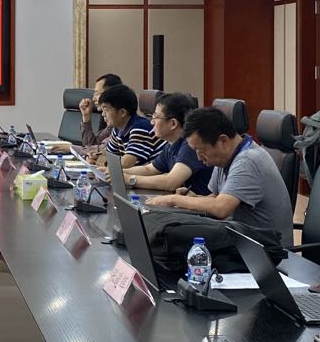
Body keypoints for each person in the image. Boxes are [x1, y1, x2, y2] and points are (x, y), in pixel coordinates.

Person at [146, 105, 294, 246]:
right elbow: (216, 198)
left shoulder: (248, 160)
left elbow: (221, 208)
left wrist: (173, 199)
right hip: (243, 240)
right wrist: (193, 198)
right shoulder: (227, 156)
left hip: (266, 252)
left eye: (200, 150)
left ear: (222, 140)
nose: (198, 157)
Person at [116, 92, 212, 195]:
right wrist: (117, 172)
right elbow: (149, 169)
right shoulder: (171, 144)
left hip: (200, 203)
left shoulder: (190, 145)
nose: (151, 122)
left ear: (173, 123)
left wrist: (130, 179)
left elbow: (170, 182)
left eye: (156, 117)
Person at [98, 83, 157, 170]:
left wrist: (104, 164)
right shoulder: (117, 129)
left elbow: (126, 164)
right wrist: (97, 158)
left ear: (122, 112)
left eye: (106, 110)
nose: (103, 114)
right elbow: (107, 155)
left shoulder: (140, 128)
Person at [77, 73, 121, 159]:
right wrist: (86, 117)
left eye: (97, 94)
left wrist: (70, 148)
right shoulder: (110, 126)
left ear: (110, 93)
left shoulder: (121, 123)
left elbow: (100, 150)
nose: (93, 98)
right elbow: (90, 146)